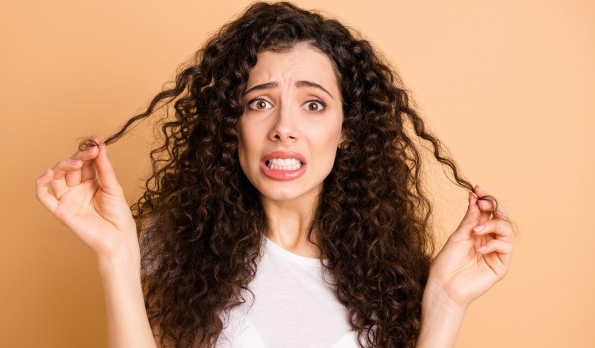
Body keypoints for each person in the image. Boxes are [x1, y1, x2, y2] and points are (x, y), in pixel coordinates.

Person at [35, 2, 513, 347]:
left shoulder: (389, 278)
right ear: (233, 125)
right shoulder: (179, 250)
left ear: (346, 130)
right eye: (260, 102)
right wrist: (117, 253)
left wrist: (447, 303)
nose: (284, 128)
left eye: (313, 105)